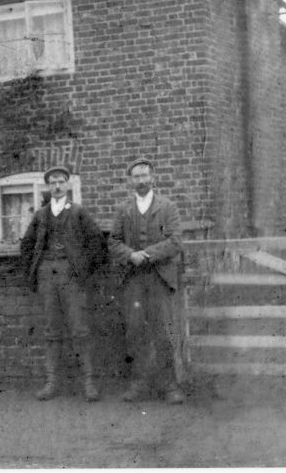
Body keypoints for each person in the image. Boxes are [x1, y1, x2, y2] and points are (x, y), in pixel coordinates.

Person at [19, 165, 107, 401]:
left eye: (61, 182)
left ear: (67, 185)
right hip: (47, 275)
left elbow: (97, 242)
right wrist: (34, 271)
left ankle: (89, 383)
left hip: (71, 276)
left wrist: (83, 269)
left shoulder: (79, 212)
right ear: (48, 187)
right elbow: (26, 245)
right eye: (53, 182)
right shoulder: (40, 215)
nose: (57, 186)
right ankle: (52, 383)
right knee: (51, 330)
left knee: (80, 329)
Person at [107, 157, 186, 404]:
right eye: (136, 176)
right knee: (134, 331)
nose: (141, 180)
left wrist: (147, 254)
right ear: (130, 181)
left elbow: (175, 242)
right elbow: (113, 242)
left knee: (163, 331)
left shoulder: (167, 207)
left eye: (144, 175)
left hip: (159, 277)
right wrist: (130, 255)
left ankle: (170, 386)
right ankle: (137, 384)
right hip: (133, 280)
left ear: (153, 177)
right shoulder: (123, 210)